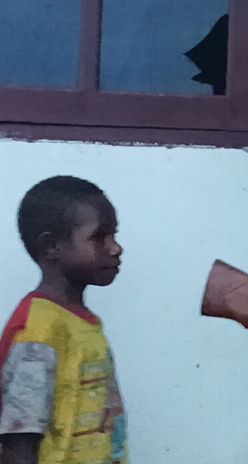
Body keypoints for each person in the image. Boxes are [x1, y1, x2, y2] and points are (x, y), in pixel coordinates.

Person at [0, 176, 127, 464]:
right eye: (99, 237)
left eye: (114, 235)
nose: (115, 248)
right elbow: (20, 442)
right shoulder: (39, 330)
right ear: (51, 247)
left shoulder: (83, 322)